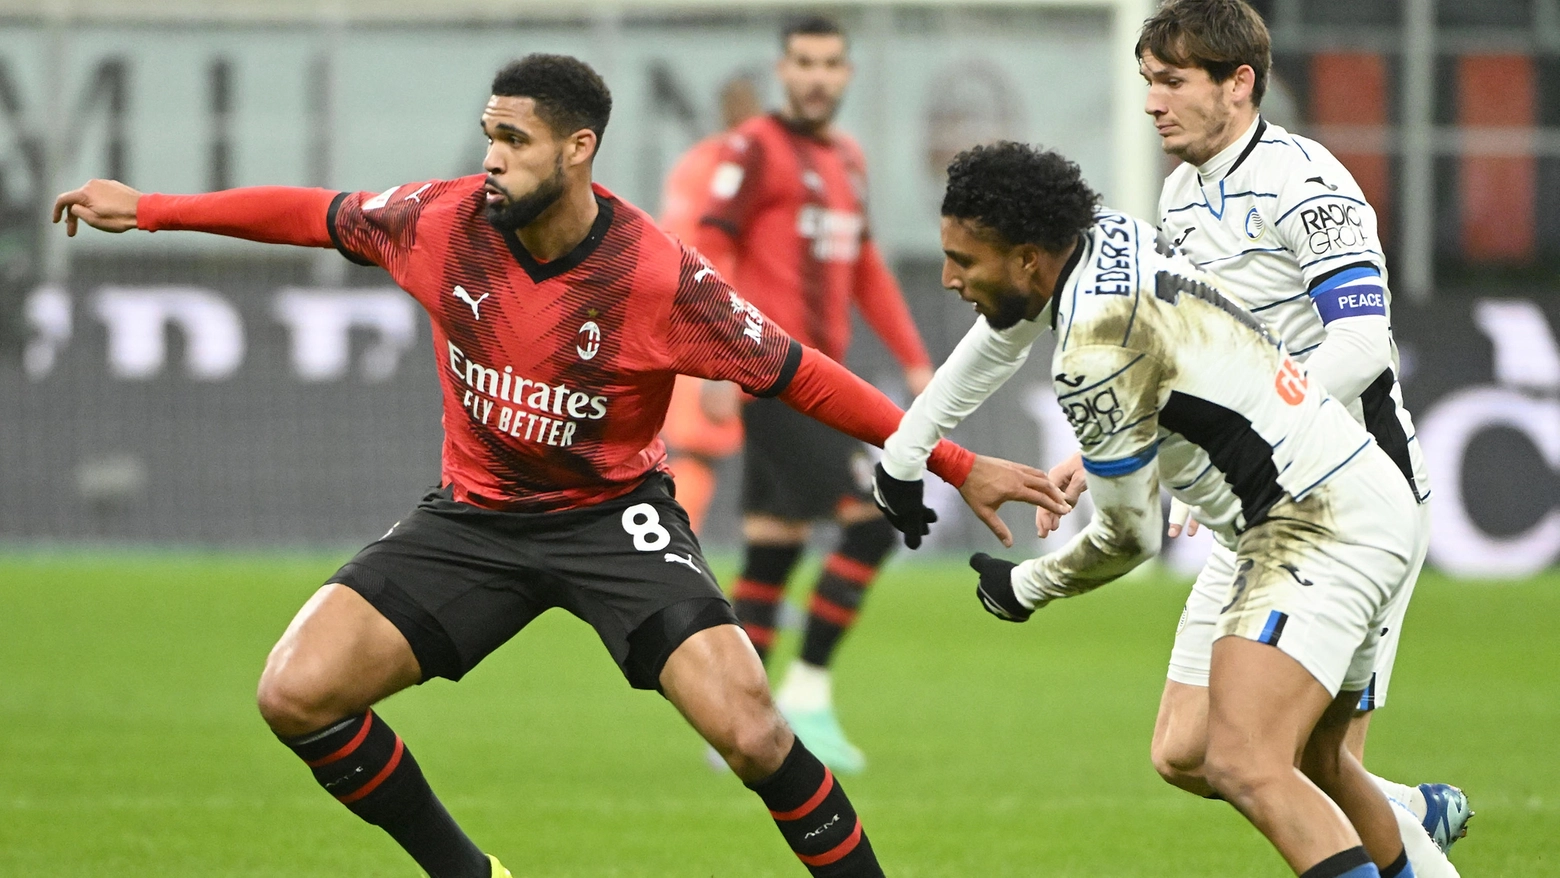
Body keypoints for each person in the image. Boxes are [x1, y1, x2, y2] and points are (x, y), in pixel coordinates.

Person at [52, 56, 1068, 878]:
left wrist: (951, 456)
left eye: (513, 140)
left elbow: (801, 373)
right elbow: (312, 214)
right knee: (294, 692)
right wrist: (149, 210)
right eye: (488, 135)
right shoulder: (438, 221)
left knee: (754, 731)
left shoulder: (658, 275)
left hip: (612, 516)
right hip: (474, 518)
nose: (489, 158)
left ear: (579, 149)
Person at [874, 141, 1426, 878]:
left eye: (964, 262)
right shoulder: (1106, 231)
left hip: (1314, 526)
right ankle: (1425, 837)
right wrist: (909, 452)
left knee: (1242, 761)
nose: (948, 278)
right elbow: (1002, 335)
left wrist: (1025, 586)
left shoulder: (1094, 353)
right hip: (1362, 493)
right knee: (1317, 760)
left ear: (1030, 260)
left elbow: (1129, 537)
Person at [1095, 0, 1469, 865]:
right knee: (1185, 751)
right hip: (1255, 506)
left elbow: (1363, 343)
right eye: (1147, 81)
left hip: (1351, 497)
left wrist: (1253, 425)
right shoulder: (1183, 190)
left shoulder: (1309, 183)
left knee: (1309, 759)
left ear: (1240, 84)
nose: (1152, 102)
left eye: (1173, 82)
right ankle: (1409, 810)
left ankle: (1417, 850)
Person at [692, 15, 934, 775]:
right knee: (878, 517)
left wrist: (916, 362)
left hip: (821, 381)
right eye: (804, 62)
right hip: (771, 377)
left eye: (831, 62)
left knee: (772, 544)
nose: (818, 76)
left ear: (847, 73)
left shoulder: (847, 159)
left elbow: (865, 265)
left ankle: (735, 719)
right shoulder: (753, 150)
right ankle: (804, 695)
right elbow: (710, 250)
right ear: (783, 69)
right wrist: (716, 364)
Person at [656, 74, 763, 534]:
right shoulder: (740, 171)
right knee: (700, 452)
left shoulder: (693, 164)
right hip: (725, 326)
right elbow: (720, 257)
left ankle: (671, 544)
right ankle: (672, 545)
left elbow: (671, 244)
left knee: (700, 452)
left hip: (688, 318)